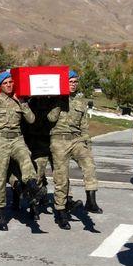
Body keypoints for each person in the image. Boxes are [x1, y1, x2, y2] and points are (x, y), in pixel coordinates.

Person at [0, 71, 44, 231]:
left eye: (10, 82)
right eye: (5, 83)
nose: (8, 85)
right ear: (0, 86)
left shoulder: (19, 100)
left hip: (16, 138)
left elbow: (31, 119)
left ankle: (32, 184)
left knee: (25, 156)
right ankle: (0, 215)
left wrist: (21, 103)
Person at [47, 70, 103, 230]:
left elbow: (84, 126)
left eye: (75, 82)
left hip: (77, 139)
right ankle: (61, 212)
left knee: (89, 165)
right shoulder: (53, 99)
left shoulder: (80, 102)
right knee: (61, 178)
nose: (73, 84)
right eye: (70, 82)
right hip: (59, 140)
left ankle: (91, 200)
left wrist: (88, 146)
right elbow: (50, 119)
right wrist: (59, 102)